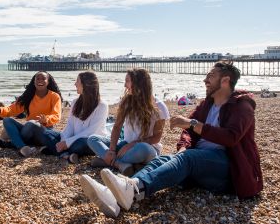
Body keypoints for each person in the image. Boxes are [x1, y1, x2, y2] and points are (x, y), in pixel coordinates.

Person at [79, 60, 263, 218]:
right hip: (200, 161)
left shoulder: (242, 106)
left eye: (211, 76)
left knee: (187, 158)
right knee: (163, 159)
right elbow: (187, 134)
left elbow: (230, 138)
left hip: (228, 169)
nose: (205, 80)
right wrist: (184, 146)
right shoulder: (207, 104)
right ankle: (116, 195)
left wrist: (191, 124)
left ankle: (134, 190)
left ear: (225, 81)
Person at [87, 68, 170, 176]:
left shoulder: (159, 106)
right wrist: (112, 150)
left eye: (127, 81)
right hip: (125, 145)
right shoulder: (127, 102)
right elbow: (117, 127)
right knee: (92, 139)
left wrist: (133, 144)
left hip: (147, 148)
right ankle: (120, 164)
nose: (125, 85)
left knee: (142, 148)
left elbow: (156, 138)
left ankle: (107, 161)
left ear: (138, 83)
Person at [39, 71, 108, 164]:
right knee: (46, 134)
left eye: (77, 81)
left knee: (81, 144)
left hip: (89, 141)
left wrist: (67, 143)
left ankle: (58, 151)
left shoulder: (102, 105)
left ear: (86, 84)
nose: (75, 84)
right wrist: (64, 141)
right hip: (73, 138)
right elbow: (70, 125)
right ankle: (67, 154)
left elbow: (91, 132)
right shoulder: (75, 102)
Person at [0, 71, 62, 157]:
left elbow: (57, 115)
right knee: (7, 120)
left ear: (48, 81)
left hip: (44, 132)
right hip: (27, 132)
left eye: (43, 79)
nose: (40, 81)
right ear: (34, 81)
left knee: (32, 123)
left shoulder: (54, 96)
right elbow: (12, 109)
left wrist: (46, 119)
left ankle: (14, 143)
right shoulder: (29, 95)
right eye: (38, 79)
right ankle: (23, 147)